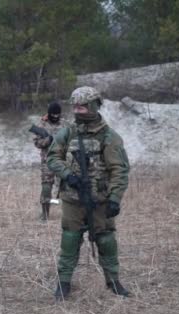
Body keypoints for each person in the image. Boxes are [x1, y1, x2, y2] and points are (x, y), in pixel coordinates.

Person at [47, 86, 130, 300]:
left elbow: (119, 169)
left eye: (83, 107)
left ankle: (113, 281)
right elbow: (53, 158)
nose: (78, 111)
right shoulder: (68, 132)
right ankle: (64, 283)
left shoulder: (108, 136)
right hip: (73, 200)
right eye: (75, 107)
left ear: (94, 106)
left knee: (105, 240)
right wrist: (69, 176)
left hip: (100, 201)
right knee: (70, 239)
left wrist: (114, 198)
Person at [32, 102, 67, 221]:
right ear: (49, 113)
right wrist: (49, 140)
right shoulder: (41, 124)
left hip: (63, 159)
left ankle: (70, 213)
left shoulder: (65, 124)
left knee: (68, 185)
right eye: (53, 114)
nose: (56, 117)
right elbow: (37, 143)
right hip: (47, 160)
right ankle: (45, 214)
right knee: (47, 186)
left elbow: (71, 140)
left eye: (58, 114)